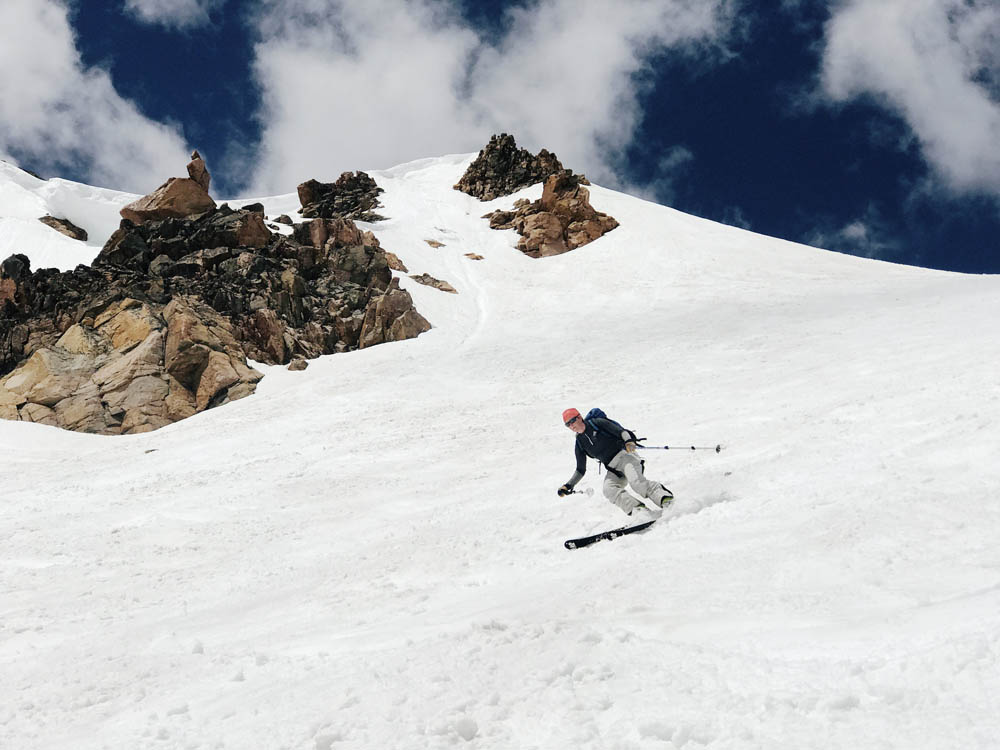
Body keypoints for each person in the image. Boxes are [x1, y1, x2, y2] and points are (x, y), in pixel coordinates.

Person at [558, 407, 673, 515]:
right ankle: (640, 511)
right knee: (609, 489)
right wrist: (568, 486)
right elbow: (580, 469)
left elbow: (621, 432)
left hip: (626, 457)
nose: (571, 426)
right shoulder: (580, 442)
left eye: (572, 421)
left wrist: (628, 441)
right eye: (567, 424)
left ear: (579, 417)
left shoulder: (596, 423)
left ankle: (665, 498)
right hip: (613, 468)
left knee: (636, 483)